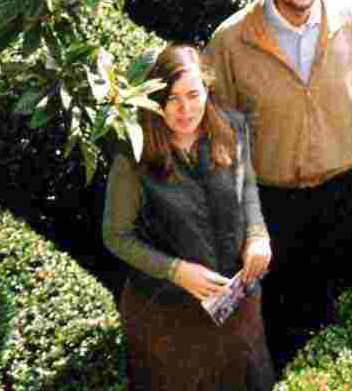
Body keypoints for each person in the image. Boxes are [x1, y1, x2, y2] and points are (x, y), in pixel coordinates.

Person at [205, 0, 352, 367]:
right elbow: (221, 134)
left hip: (347, 190)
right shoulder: (231, 40)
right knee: (285, 321)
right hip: (274, 204)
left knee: (350, 311)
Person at [103, 44, 275, 391]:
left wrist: (258, 235)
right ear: (155, 99)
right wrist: (176, 271)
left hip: (235, 306)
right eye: (172, 99)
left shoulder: (232, 128)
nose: (185, 110)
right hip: (168, 317)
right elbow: (116, 235)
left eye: (193, 95)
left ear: (207, 90)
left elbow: (248, 190)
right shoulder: (133, 155)